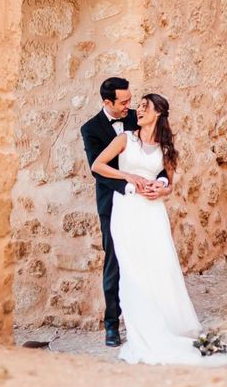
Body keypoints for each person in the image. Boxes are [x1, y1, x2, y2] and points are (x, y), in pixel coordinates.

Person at [92, 94, 227, 366]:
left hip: (153, 213)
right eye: (138, 106)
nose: (138, 110)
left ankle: (169, 325)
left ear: (158, 114)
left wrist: (160, 189)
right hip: (127, 209)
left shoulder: (167, 148)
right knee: (132, 270)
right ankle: (142, 330)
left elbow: (169, 184)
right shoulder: (125, 140)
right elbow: (98, 165)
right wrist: (128, 175)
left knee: (161, 268)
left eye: (145, 106)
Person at [81, 78, 170, 347]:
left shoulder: (137, 118)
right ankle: (111, 325)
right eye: (123, 102)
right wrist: (131, 183)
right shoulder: (91, 129)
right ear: (107, 102)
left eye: (131, 100)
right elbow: (98, 170)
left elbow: (159, 155)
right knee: (114, 262)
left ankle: (151, 320)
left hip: (147, 203)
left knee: (151, 260)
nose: (129, 107)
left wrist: (162, 182)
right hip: (113, 203)